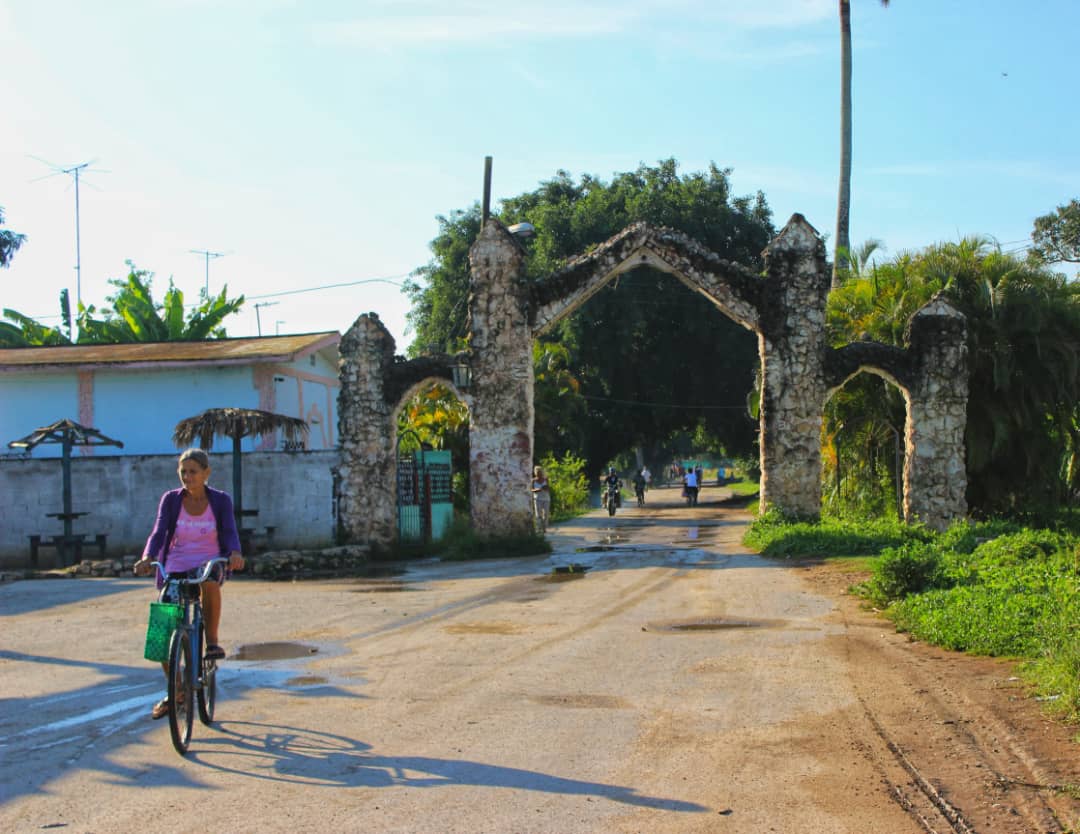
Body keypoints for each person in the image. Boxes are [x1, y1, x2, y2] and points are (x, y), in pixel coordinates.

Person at [134, 448, 245, 720]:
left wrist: (234, 552)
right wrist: (147, 557)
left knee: (208, 584)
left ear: (206, 473)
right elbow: (159, 532)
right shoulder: (171, 500)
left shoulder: (220, 500)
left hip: (209, 562)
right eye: (183, 471)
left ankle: (213, 642)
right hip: (176, 564)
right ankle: (177, 690)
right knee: (162, 627)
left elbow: (229, 531)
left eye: (193, 471)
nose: (187, 476)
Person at [531, 465, 551, 534]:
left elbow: (549, 488)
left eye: (540, 472)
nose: (539, 474)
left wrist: (546, 487)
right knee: (538, 514)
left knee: (546, 514)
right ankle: (539, 528)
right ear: (536, 473)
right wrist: (537, 489)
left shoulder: (546, 479)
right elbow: (531, 489)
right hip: (537, 498)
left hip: (546, 498)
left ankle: (544, 528)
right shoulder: (533, 480)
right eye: (537, 472)